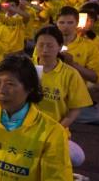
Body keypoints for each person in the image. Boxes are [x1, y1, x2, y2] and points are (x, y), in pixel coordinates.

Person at [33, 26, 92, 166]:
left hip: (55, 129)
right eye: (41, 45)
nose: (45, 50)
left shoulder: (70, 74)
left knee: (77, 157)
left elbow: (75, 109)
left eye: (50, 45)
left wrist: (58, 128)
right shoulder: (28, 68)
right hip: (25, 127)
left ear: (60, 47)